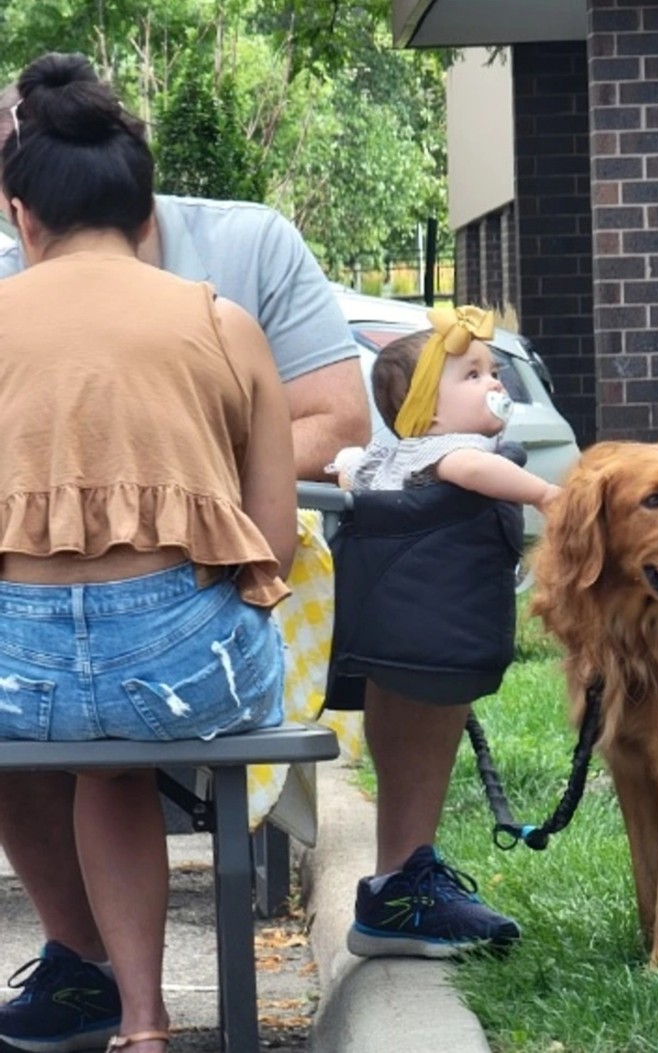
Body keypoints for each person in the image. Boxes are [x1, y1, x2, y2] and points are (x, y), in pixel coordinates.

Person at [0, 55, 369, 1053]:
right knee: (119, 750)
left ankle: (110, 994)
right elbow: (272, 541)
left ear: (22, 216)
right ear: (142, 208)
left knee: (80, 730)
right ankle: (143, 1022)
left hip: (14, 686)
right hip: (179, 682)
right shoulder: (219, 320)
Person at [327, 305, 560, 958]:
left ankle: (399, 886)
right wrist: (546, 494)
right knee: (419, 709)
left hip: (388, 621)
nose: (495, 384)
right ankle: (402, 892)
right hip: (433, 622)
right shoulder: (454, 452)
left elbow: (350, 473)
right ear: (427, 410)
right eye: (473, 374)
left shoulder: (390, 454)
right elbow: (476, 474)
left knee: (404, 714)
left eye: (493, 371)